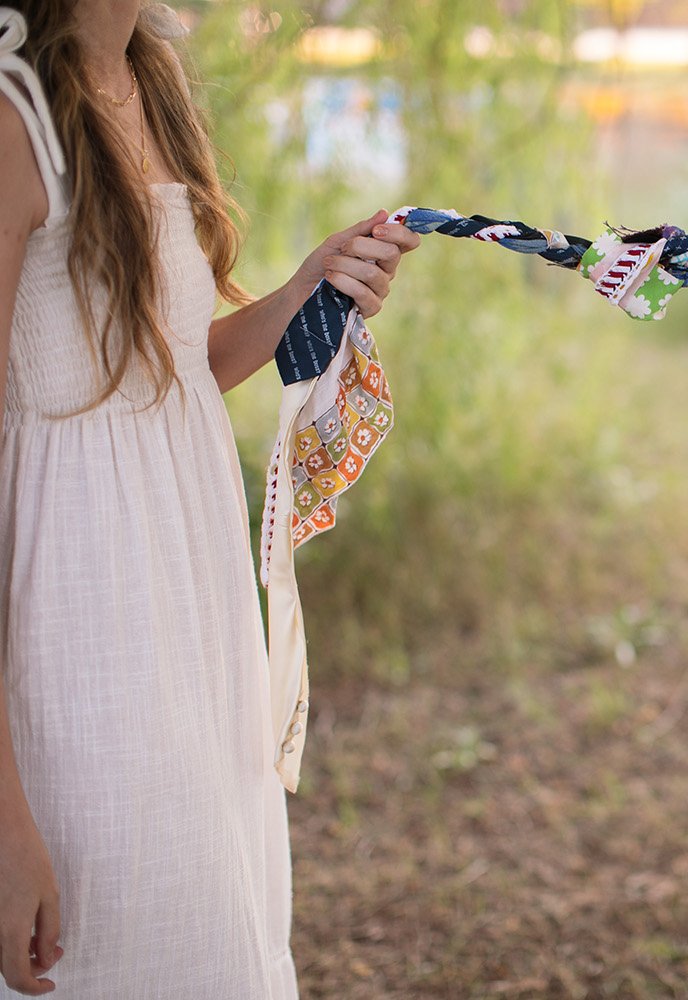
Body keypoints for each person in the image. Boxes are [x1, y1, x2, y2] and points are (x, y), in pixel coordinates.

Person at [0, 2, 420, 995]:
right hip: (73, 629)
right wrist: (5, 822)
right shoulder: (15, 115)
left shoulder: (150, 79)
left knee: (201, 913)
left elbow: (171, 372)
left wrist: (309, 287)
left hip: (188, 606)